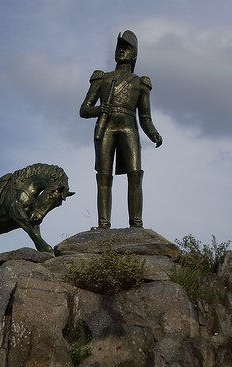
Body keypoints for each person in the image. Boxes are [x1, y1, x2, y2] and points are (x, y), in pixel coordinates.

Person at [80, 30, 162, 229]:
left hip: (128, 127)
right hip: (105, 127)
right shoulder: (102, 78)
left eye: (126, 48)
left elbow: (145, 117)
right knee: (104, 175)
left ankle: (136, 224)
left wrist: (153, 134)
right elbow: (84, 109)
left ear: (134, 55)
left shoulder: (141, 83)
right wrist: (99, 109)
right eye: (119, 47)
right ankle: (103, 224)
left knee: (135, 173)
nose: (121, 51)